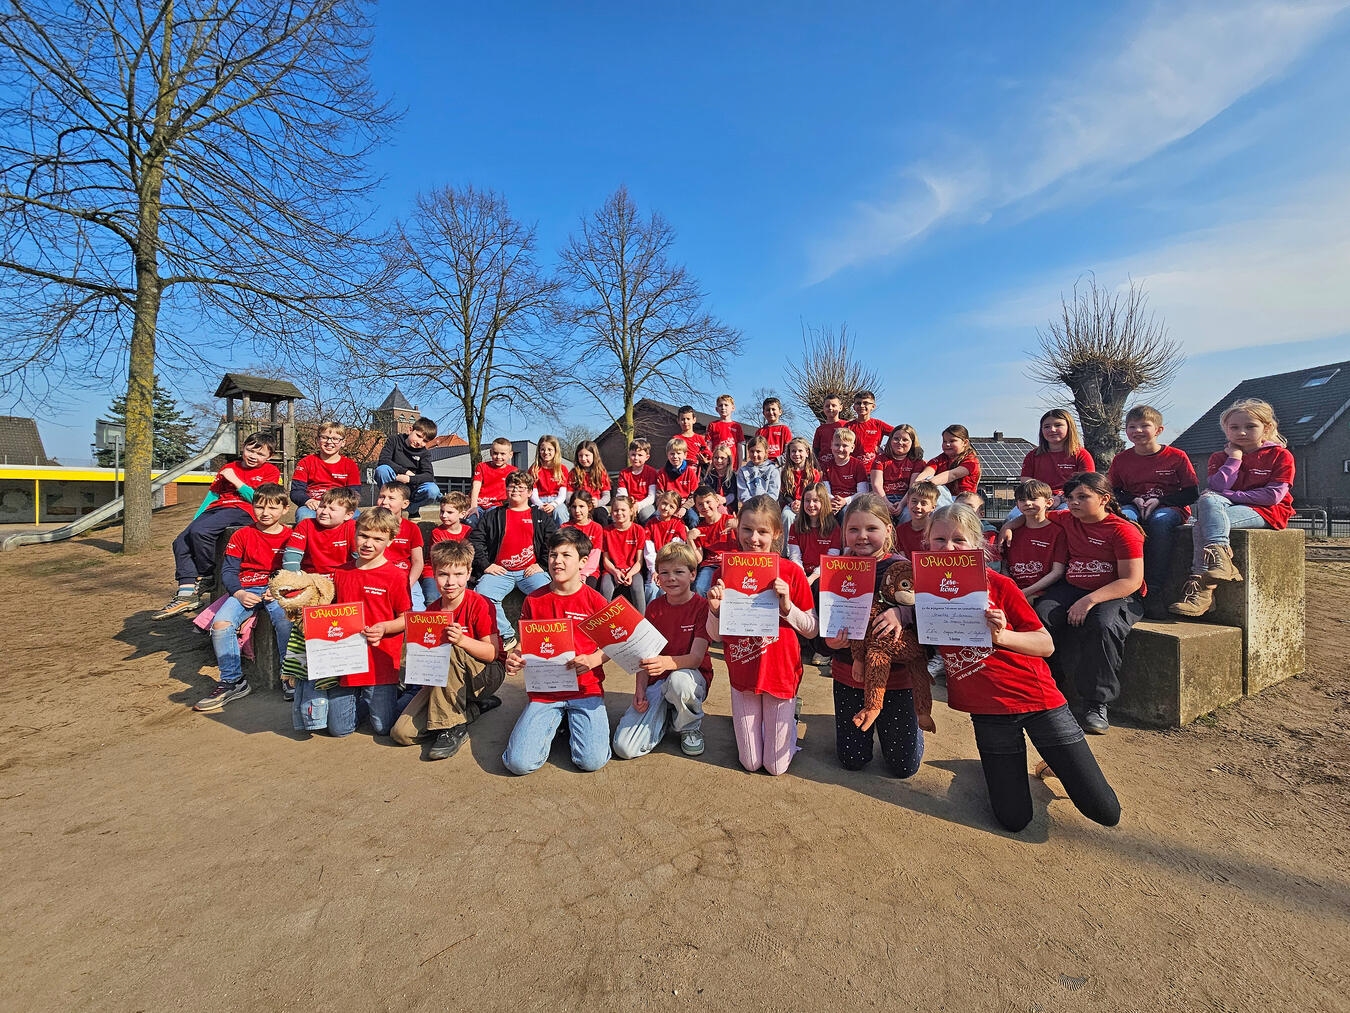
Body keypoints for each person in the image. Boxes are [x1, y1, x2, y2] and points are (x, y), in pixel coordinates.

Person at [925, 503, 1121, 834]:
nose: (948, 548)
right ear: (927, 544)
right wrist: (899, 615)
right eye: (939, 539)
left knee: (1105, 811)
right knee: (1014, 819)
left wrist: (1002, 636)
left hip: (1037, 700)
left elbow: (1045, 645)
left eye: (959, 540)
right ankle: (1005, 766)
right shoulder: (923, 589)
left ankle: (1054, 759)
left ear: (978, 544)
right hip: (988, 713)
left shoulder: (1000, 585)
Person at [1011, 472, 1144, 734]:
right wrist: (1007, 527)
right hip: (1072, 587)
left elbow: (1131, 580)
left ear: (1105, 499)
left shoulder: (1123, 531)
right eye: (1070, 497)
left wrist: (1088, 601)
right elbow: (1033, 514)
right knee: (1041, 617)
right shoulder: (1067, 518)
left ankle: (1097, 702)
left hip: (1115, 593)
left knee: (1102, 626)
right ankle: (1049, 688)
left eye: (1083, 497)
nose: (1074, 503)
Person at [704, 495, 816, 776]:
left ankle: (789, 721)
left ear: (777, 533)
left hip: (780, 672)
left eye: (763, 531)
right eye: (747, 529)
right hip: (743, 671)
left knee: (775, 767)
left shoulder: (791, 572)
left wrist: (787, 607)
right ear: (737, 528)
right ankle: (761, 727)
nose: (754, 538)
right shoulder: (724, 570)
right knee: (751, 762)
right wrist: (715, 610)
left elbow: (812, 629)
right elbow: (714, 636)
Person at [821, 494, 927, 777]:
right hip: (849, 675)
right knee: (852, 760)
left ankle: (911, 730)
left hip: (895, 679)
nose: (862, 537)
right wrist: (829, 642)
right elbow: (822, 624)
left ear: (888, 531)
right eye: (853, 530)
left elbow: (931, 613)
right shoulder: (835, 570)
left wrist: (902, 614)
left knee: (903, 767)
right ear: (844, 532)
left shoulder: (904, 567)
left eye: (871, 529)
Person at [501, 527, 612, 775]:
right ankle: (557, 721)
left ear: (583, 562)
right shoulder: (534, 600)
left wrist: (595, 658)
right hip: (545, 692)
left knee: (591, 762)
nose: (557, 561)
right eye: (552, 555)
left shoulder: (595, 601)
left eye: (565, 555)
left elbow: (615, 645)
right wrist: (516, 657)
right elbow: (525, 644)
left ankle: (572, 723)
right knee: (518, 764)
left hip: (585, 689)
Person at [1170, 398, 1295, 618]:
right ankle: (1219, 560)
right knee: (1207, 501)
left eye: (1250, 426)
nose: (1242, 432)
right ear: (1226, 430)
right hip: (1226, 508)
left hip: (1266, 511)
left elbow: (1272, 496)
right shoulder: (1220, 457)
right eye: (1234, 427)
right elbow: (1217, 486)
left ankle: (1202, 589)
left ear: (1266, 428)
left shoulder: (1280, 455)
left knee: (1203, 523)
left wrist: (1230, 496)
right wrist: (1234, 460)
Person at [293, 507, 410, 737]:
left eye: (378, 539)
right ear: (354, 533)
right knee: (339, 730)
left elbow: (406, 618)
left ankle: (409, 694)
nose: (368, 543)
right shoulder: (341, 573)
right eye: (364, 535)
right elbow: (326, 610)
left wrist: (385, 627)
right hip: (344, 662)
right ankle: (363, 699)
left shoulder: (395, 575)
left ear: (390, 540)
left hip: (379, 663)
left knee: (383, 728)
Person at [390, 540, 505, 761]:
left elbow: (492, 653)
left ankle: (454, 727)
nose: (451, 582)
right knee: (401, 733)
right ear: (433, 574)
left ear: (469, 573)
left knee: (449, 648)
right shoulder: (431, 611)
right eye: (443, 575)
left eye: (459, 574)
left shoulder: (480, 603)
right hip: (443, 679)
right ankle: (473, 709)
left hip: (485, 675)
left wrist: (462, 640)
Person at [156, 432, 281, 619]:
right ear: (243, 448)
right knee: (181, 541)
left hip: (242, 510)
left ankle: (207, 575)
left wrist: (236, 481)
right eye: (249, 450)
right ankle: (186, 592)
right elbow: (212, 496)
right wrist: (196, 519)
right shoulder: (229, 467)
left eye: (260, 454)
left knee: (201, 532)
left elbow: (260, 500)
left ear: (269, 457)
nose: (253, 456)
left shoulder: (270, 472)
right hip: (216, 509)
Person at [194, 483, 292, 712]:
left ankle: (289, 675)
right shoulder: (242, 535)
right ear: (252, 507)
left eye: (272, 508)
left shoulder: (291, 536)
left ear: (285, 509)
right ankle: (233, 680)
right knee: (220, 624)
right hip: (245, 590)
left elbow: (297, 568)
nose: (265, 513)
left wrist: (280, 589)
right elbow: (228, 571)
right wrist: (238, 592)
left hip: (276, 590)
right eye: (259, 507)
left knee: (285, 620)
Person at [612, 543, 714, 759]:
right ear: (657, 577)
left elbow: (696, 659)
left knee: (679, 683)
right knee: (624, 748)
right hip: (657, 681)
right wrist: (640, 689)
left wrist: (665, 663)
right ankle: (667, 715)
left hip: (689, 678)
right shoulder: (654, 608)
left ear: (693, 574)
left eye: (679, 572)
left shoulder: (702, 607)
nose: (671, 578)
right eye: (665, 573)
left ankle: (689, 726)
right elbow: (643, 655)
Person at [1109, 405, 1199, 612]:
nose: (1137, 431)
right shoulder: (1121, 459)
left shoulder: (1176, 456)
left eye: (1144, 426)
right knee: (1125, 522)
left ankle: (1154, 588)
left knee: (1159, 522)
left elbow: (1191, 493)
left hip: (1169, 507)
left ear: (1158, 430)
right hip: (1133, 505)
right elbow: (1113, 491)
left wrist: (1161, 501)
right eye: (1132, 426)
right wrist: (1134, 499)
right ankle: (1128, 583)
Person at [468, 469, 558, 648]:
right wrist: (486, 565)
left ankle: (545, 638)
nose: (515, 491)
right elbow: (476, 540)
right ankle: (508, 635)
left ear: (530, 492)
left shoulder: (540, 517)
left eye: (521, 487)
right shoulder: (493, 515)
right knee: (482, 595)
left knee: (550, 597)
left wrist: (542, 564)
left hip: (530, 571)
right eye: (511, 487)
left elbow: (554, 542)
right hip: (500, 572)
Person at [785, 481, 841, 664]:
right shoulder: (796, 525)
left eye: (816, 500)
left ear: (824, 502)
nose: (811, 505)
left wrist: (811, 579)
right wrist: (802, 578)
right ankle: (797, 642)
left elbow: (830, 560)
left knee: (817, 591)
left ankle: (822, 649)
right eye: (807, 500)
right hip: (800, 573)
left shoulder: (834, 528)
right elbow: (794, 556)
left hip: (824, 574)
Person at [1001, 480, 1067, 601]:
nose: (1027, 503)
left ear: (1049, 502)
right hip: (1012, 591)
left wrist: (1025, 592)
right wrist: (1012, 590)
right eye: (1022, 500)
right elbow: (1004, 566)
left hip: (1044, 592)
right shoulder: (1010, 532)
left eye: (1033, 498)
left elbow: (1057, 572)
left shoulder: (1058, 532)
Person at [289, 421, 361, 523]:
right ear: (318, 440)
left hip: (340, 506)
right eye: (325, 437)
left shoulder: (350, 465)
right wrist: (308, 501)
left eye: (335, 439)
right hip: (314, 506)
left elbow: (355, 493)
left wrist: (339, 506)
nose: (329, 442)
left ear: (343, 442)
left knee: (358, 518)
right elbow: (296, 491)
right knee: (304, 515)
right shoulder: (305, 462)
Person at [1019, 409, 1095, 507]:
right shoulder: (1032, 456)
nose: (1052, 430)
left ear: (1069, 427)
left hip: (1070, 500)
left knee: (1063, 515)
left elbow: (1087, 483)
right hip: (1039, 501)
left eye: (1058, 425)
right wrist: (1044, 498)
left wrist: (1060, 498)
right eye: (1047, 426)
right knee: (1013, 516)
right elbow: (1026, 481)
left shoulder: (1081, 454)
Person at [282, 486, 358, 575]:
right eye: (322, 506)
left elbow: (359, 559)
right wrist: (296, 577)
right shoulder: (305, 525)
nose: (324, 512)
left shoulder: (352, 527)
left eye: (332, 509)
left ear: (348, 515)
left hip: (342, 577)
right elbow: (291, 557)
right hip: (311, 578)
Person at [374, 482, 426, 609]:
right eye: (381, 496)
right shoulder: (369, 526)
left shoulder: (412, 528)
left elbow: (418, 562)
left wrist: (408, 583)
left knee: (416, 615)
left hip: (404, 579)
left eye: (391, 498)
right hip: (375, 578)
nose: (384, 502)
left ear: (405, 504)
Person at [374, 416, 440, 516]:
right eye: (418, 436)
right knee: (382, 470)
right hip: (394, 481)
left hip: (412, 487)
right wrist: (404, 471)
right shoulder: (394, 440)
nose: (419, 442)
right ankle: (388, 504)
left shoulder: (424, 453)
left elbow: (429, 476)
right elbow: (384, 460)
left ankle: (412, 508)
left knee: (433, 490)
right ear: (410, 430)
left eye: (425, 441)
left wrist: (409, 479)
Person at [416, 492, 471, 609]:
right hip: (433, 571)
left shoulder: (469, 531)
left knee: (461, 598)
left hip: (458, 571)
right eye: (442, 511)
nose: (444, 515)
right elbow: (440, 557)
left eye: (449, 512)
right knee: (431, 599)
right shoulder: (437, 532)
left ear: (462, 514)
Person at [686, 485, 739, 596]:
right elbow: (698, 559)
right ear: (696, 507)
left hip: (733, 562)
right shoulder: (699, 529)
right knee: (699, 588)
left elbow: (748, 540)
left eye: (708, 502)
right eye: (700, 504)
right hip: (711, 565)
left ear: (717, 501)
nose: (705, 506)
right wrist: (690, 539)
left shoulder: (730, 520)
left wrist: (738, 526)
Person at [913, 425, 981, 504]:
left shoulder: (971, 461)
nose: (947, 444)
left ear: (965, 442)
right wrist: (917, 484)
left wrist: (927, 483)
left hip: (964, 500)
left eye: (952, 441)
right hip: (945, 499)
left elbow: (952, 475)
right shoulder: (939, 459)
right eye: (944, 441)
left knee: (934, 486)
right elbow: (927, 472)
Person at [600, 495, 646, 610]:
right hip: (611, 570)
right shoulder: (606, 531)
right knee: (605, 589)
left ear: (631, 511)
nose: (619, 513)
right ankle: (601, 622)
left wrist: (630, 574)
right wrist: (615, 572)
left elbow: (639, 561)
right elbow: (605, 559)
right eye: (615, 510)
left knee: (637, 588)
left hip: (633, 570)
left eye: (623, 510)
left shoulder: (638, 530)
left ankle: (642, 622)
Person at [643, 490, 689, 601]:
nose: (666, 508)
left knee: (665, 589)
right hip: (654, 565)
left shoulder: (678, 524)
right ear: (658, 502)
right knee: (651, 588)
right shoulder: (651, 524)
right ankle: (650, 615)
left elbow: (676, 550)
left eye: (671, 506)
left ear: (676, 510)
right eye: (664, 503)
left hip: (672, 566)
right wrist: (655, 570)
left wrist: (665, 571)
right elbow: (649, 550)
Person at [871, 423, 924, 518]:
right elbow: (876, 484)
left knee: (908, 515)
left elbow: (913, 487)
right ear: (890, 440)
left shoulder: (917, 462)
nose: (900, 442)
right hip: (883, 497)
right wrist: (886, 503)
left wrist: (902, 504)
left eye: (905, 440)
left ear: (912, 443)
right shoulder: (880, 459)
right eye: (896, 439)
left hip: (907, 498)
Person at [654, 436, 701, 527]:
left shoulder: (690, 472)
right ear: (667, 455)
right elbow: (659, 495)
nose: (675, 456)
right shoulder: (662, 473)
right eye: (672, 453)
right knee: (654, 517)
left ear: (685, 455)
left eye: (678, 453)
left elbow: (694, 495)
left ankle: (691, 539)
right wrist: (669, 508)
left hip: (686, 506)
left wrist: (684, 508)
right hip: (667, 505)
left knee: (693, 518)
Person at [823, 428, 870, 516]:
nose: (840, 449)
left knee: (845, 512)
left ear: (852, 448)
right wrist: (833, 501)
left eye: (845, 446)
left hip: (852, 502)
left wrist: (845, 501)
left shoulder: (858, 465)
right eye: (837, 445)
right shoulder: (826, 466)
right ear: (831, 445)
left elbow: (863, 491)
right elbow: (826, 490)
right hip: (831, 501)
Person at [468, 437, 515, 524]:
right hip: (479, 504)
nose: (498, 457)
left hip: (497, 506)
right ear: (490, 452)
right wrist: (473, 506)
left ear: (510, 455)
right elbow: (476, 486)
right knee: (470, 520)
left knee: (494, 521)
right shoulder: (482, 466)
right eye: (495, 453)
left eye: (502, 454)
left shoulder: (513, 471)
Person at [564, 490, 605, 588]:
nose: (577, 510)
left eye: (581, 506)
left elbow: (595, 556)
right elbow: (564, 554)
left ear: (589, 507)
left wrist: (583, 574)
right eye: (574, 507)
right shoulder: (565, 527)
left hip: (590, 572)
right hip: (569, 570)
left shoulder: (596, 528)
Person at [778, 436, 821, 530]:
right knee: (787, 515)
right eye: (793, 451)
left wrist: (802, 503)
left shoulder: (814, 473)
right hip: (792, 504)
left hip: (809, 504)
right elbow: (785, 494)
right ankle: (787, 544)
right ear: (789, 454)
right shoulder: (785, 473)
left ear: (807, 453)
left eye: (800, 451)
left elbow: (816, 493)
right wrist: (792, 503)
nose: (796, 454)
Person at [528, 434, 571, 525]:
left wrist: (554, 504)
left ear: (555, 451)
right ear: (539, 451)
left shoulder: (561, 469)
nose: (546, 452)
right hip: (539, 501)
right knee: (533, 514)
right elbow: (532, 493)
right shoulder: (534, 469)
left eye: (550, 449)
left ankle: (565, 537)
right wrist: (540, 505)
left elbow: (562, 494)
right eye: (542, 449)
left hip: (557, 501)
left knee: (560, 512)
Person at [846, 390, 893, 471]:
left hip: (874, 469)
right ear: (854, 407)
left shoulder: (878, 424)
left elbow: (899, 434)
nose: (861, 405)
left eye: (866, 403)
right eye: (858, 403)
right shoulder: (848, 426)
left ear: (873, 406)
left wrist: (885, 449)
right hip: (853, 469)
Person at [570, 439, 612, 526]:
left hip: (596, 506)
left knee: (600, 515)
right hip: (579, 506)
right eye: (580, 456)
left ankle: (603, 537)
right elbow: (568, 495)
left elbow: (607, 496)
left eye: (587, 455)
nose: (583, 459)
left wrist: (598, 502)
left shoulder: (601, 473)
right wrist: (575, 504)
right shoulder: (573, 473)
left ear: (594, 456)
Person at [617, 438, 659, 522]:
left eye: (640, 455)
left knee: (646, 514)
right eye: (633, 454)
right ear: (629, 455)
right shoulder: (624, 473)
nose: (636, 458)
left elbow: (652, 497)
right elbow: (621, 495)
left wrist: (638, 505)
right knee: (619, 515)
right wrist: (629, 505)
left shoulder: (652, 472)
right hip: (628, 504)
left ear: (647, 457)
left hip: (646, 504)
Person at [894, 481, 939, 559]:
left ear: (933, 507)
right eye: (914, 501)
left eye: (923, 503)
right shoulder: (900, 531)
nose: (918, 506)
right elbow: (901, 558)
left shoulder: (937, 530)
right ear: (908, 503)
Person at [736, 436, 780, 504]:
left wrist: (761, 505)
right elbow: (743, 493)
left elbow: (773, 493)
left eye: (758, 451)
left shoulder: (773, 470)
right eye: (752, 451)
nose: (755, 454)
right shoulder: (743, 471)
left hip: (767, 507)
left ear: (765, 452)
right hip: (749, 507)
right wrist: (752, 505)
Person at [706, 394, 746, 469]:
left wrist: (740, 466)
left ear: (733, 408)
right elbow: (709, 445)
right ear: (716, 409)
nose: (723, 408)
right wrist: (710, 461)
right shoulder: (713, 425)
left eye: (726, 405)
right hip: (717, 464)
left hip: (732, 466)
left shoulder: (736, 426)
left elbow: (740, 448)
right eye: (720, 405)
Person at [702, 444, 738, 516]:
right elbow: (708, 491)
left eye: (722, 458)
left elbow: (733, 494)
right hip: (713, 505)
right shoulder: (710, 475)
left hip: (729, 507)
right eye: (716, 457)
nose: (719, 460)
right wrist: (715, 499)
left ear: (728, 460)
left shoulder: (732, 475)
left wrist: (724, 499)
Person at [812, 392, 845, 467]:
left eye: (834, 405)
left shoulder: (846, 426)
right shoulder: (820, 429)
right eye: (827, 406)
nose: (830, 408)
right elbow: (815, 451)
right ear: (823, 408)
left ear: (840, 408)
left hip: (842, 465)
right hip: (824, 466)